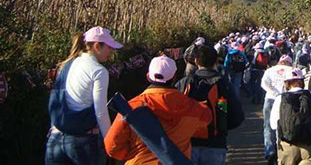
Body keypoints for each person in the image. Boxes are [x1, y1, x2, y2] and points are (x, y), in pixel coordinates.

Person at [104, 55, 212, 163]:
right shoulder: (192, 107)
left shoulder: (132, 108)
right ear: (174, 77)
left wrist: (133, 154)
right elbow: (206, 119)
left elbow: (111, 147)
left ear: (148, 76)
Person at [46, 27, 123, 165]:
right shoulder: (99, 71)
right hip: (83, 142)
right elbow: (101, 112)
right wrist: (111, 142)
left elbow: (57, 99)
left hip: (56, 138)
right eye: (109, 47)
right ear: (97, 45)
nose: (112, 51)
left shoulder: (66, 65)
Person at [176, 46, 245, 165]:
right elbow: (236, 117)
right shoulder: (223, 84)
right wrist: (222, 126)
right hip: (215, 143)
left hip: (188, 142)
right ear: (216, 61)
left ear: (196, 61)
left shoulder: (184, 83)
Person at [270, 68, 311, 165]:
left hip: (288, 145)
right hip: (310, 145)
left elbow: (273, 125)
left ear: (286, 83)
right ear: (302, 81)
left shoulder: (280, 99)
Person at [262, 55, 294, 165]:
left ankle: (270, 151)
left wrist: (274, 93)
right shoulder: (291, 70)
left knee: (268, 126)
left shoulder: (270, 70)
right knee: (284, 126)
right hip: (286, 100)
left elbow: (264, 84)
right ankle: (282, 151)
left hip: (270, 99)